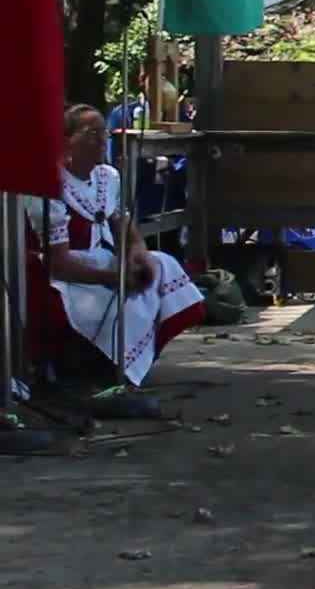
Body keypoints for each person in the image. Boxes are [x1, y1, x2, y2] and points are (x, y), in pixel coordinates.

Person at [22, 105, 205, 386]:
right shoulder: (50, 185)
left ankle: (130, 359)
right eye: (91, 133)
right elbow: (58, 262)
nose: (101, 140)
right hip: (68, 270)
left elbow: (126, 230)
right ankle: (103, 365)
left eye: (103, 132)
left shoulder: (108, 177)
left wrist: (137, 254)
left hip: (106, 259)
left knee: (162, 264)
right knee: (107, 298)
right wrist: (113, 277)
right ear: (67, 140)